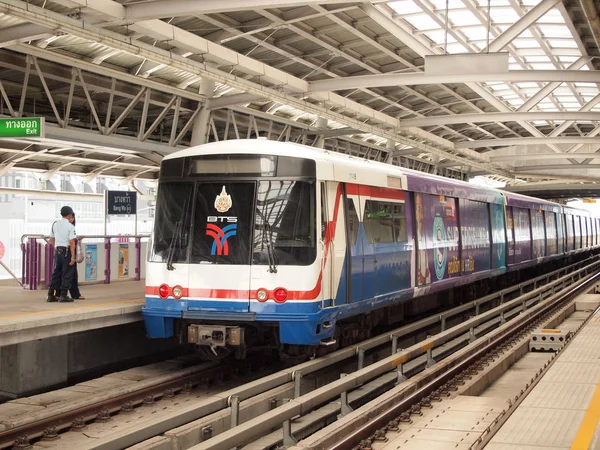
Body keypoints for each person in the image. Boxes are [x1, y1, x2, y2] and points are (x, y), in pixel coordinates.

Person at [46, 206, 77, 303]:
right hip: (66, 251)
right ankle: (63, 295)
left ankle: (51, 294)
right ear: (69, 215)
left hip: (57, 251)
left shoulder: (55, 224)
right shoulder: (70, 226)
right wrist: (73, 257)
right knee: (67, 273)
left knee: (56, 273)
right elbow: (72, 243)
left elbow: (51, 240)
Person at [68, 213, 85, 300]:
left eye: (73, 217)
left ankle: (74, 294)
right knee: (69, 274)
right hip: (68, 252)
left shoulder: (71, 227)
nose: (72, 219)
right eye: (70, 217)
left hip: (70, 251)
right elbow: (69, 240)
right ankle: (60, 294)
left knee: (73, 274)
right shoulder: (66, 227)